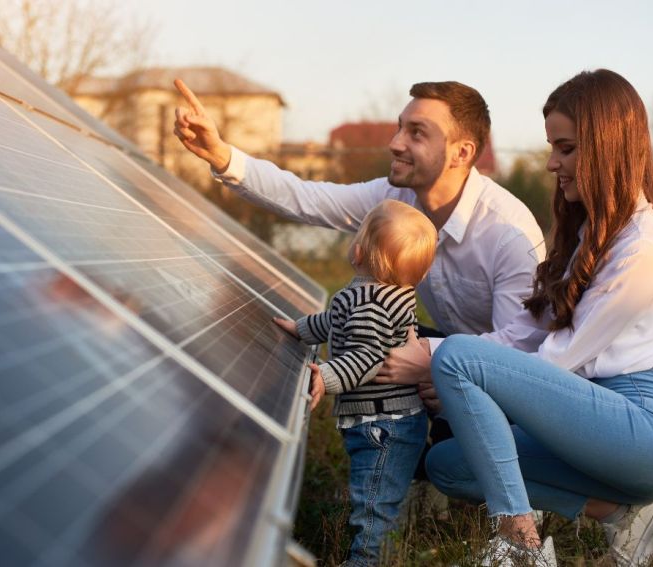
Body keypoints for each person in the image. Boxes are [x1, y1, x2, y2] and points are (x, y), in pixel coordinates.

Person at [378, 69, 653, 566]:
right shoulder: (593, 235)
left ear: (607, 145)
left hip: (645, 431)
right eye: (553, 147)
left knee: (463, 357)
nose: (552, 163)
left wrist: (450, 368)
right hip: (591, 418)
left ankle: (519, 543)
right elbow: (526, 332)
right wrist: (430, 354)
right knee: (451, 464)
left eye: (566, 148)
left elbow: (555, 363)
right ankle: (626, 517)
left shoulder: (640, 251)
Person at [172, 77, 545, 450]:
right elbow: (308, 198)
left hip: (510, 382)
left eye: (416, 133)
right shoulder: (395, 199)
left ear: (461, 153)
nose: (395, 143)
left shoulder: (508, 233)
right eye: (400, 127)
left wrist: (435, 363)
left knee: (450, 467)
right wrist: (221, 155)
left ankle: (504, 465)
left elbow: (519, 351)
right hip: (447, 356)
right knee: (369, 334)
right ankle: (394, 459)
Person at [272, 199, 438, 566]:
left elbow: (366, 357)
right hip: (389, 422)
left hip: (383, 426)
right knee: (377, 492)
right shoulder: (376, 295)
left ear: (358, 250)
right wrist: (300, 328)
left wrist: (326, 377)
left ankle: (366, 560)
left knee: (374, 504)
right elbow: (333, 321)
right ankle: (384, 542)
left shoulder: (369, 303)